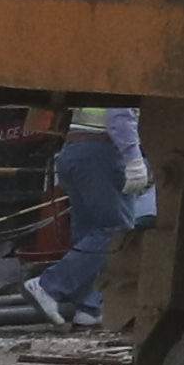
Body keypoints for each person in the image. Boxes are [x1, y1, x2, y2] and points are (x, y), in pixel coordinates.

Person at [28, 105, 155, 325]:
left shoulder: (103, 78)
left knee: (88, 233)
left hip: (75, 150)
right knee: (115, 233)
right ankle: (49, 286)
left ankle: (89, 307)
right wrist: (134, 159)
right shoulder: (128, 77)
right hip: (102, 152)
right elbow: (120, 117)